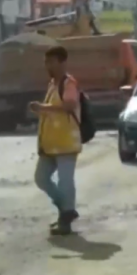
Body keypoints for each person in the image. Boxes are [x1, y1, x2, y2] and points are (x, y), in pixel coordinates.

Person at [29, 46, 82, 236]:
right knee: (41, 178)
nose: (47, 65)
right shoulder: (53, 84)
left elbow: (69, 105)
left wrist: (42, 108)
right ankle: (67, 210)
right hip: (50, 143)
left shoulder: (68, 83)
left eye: (51, 62)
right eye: (46, 62)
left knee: (65, 182)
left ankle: (65, 219)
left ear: (62, 62)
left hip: (66, 142)